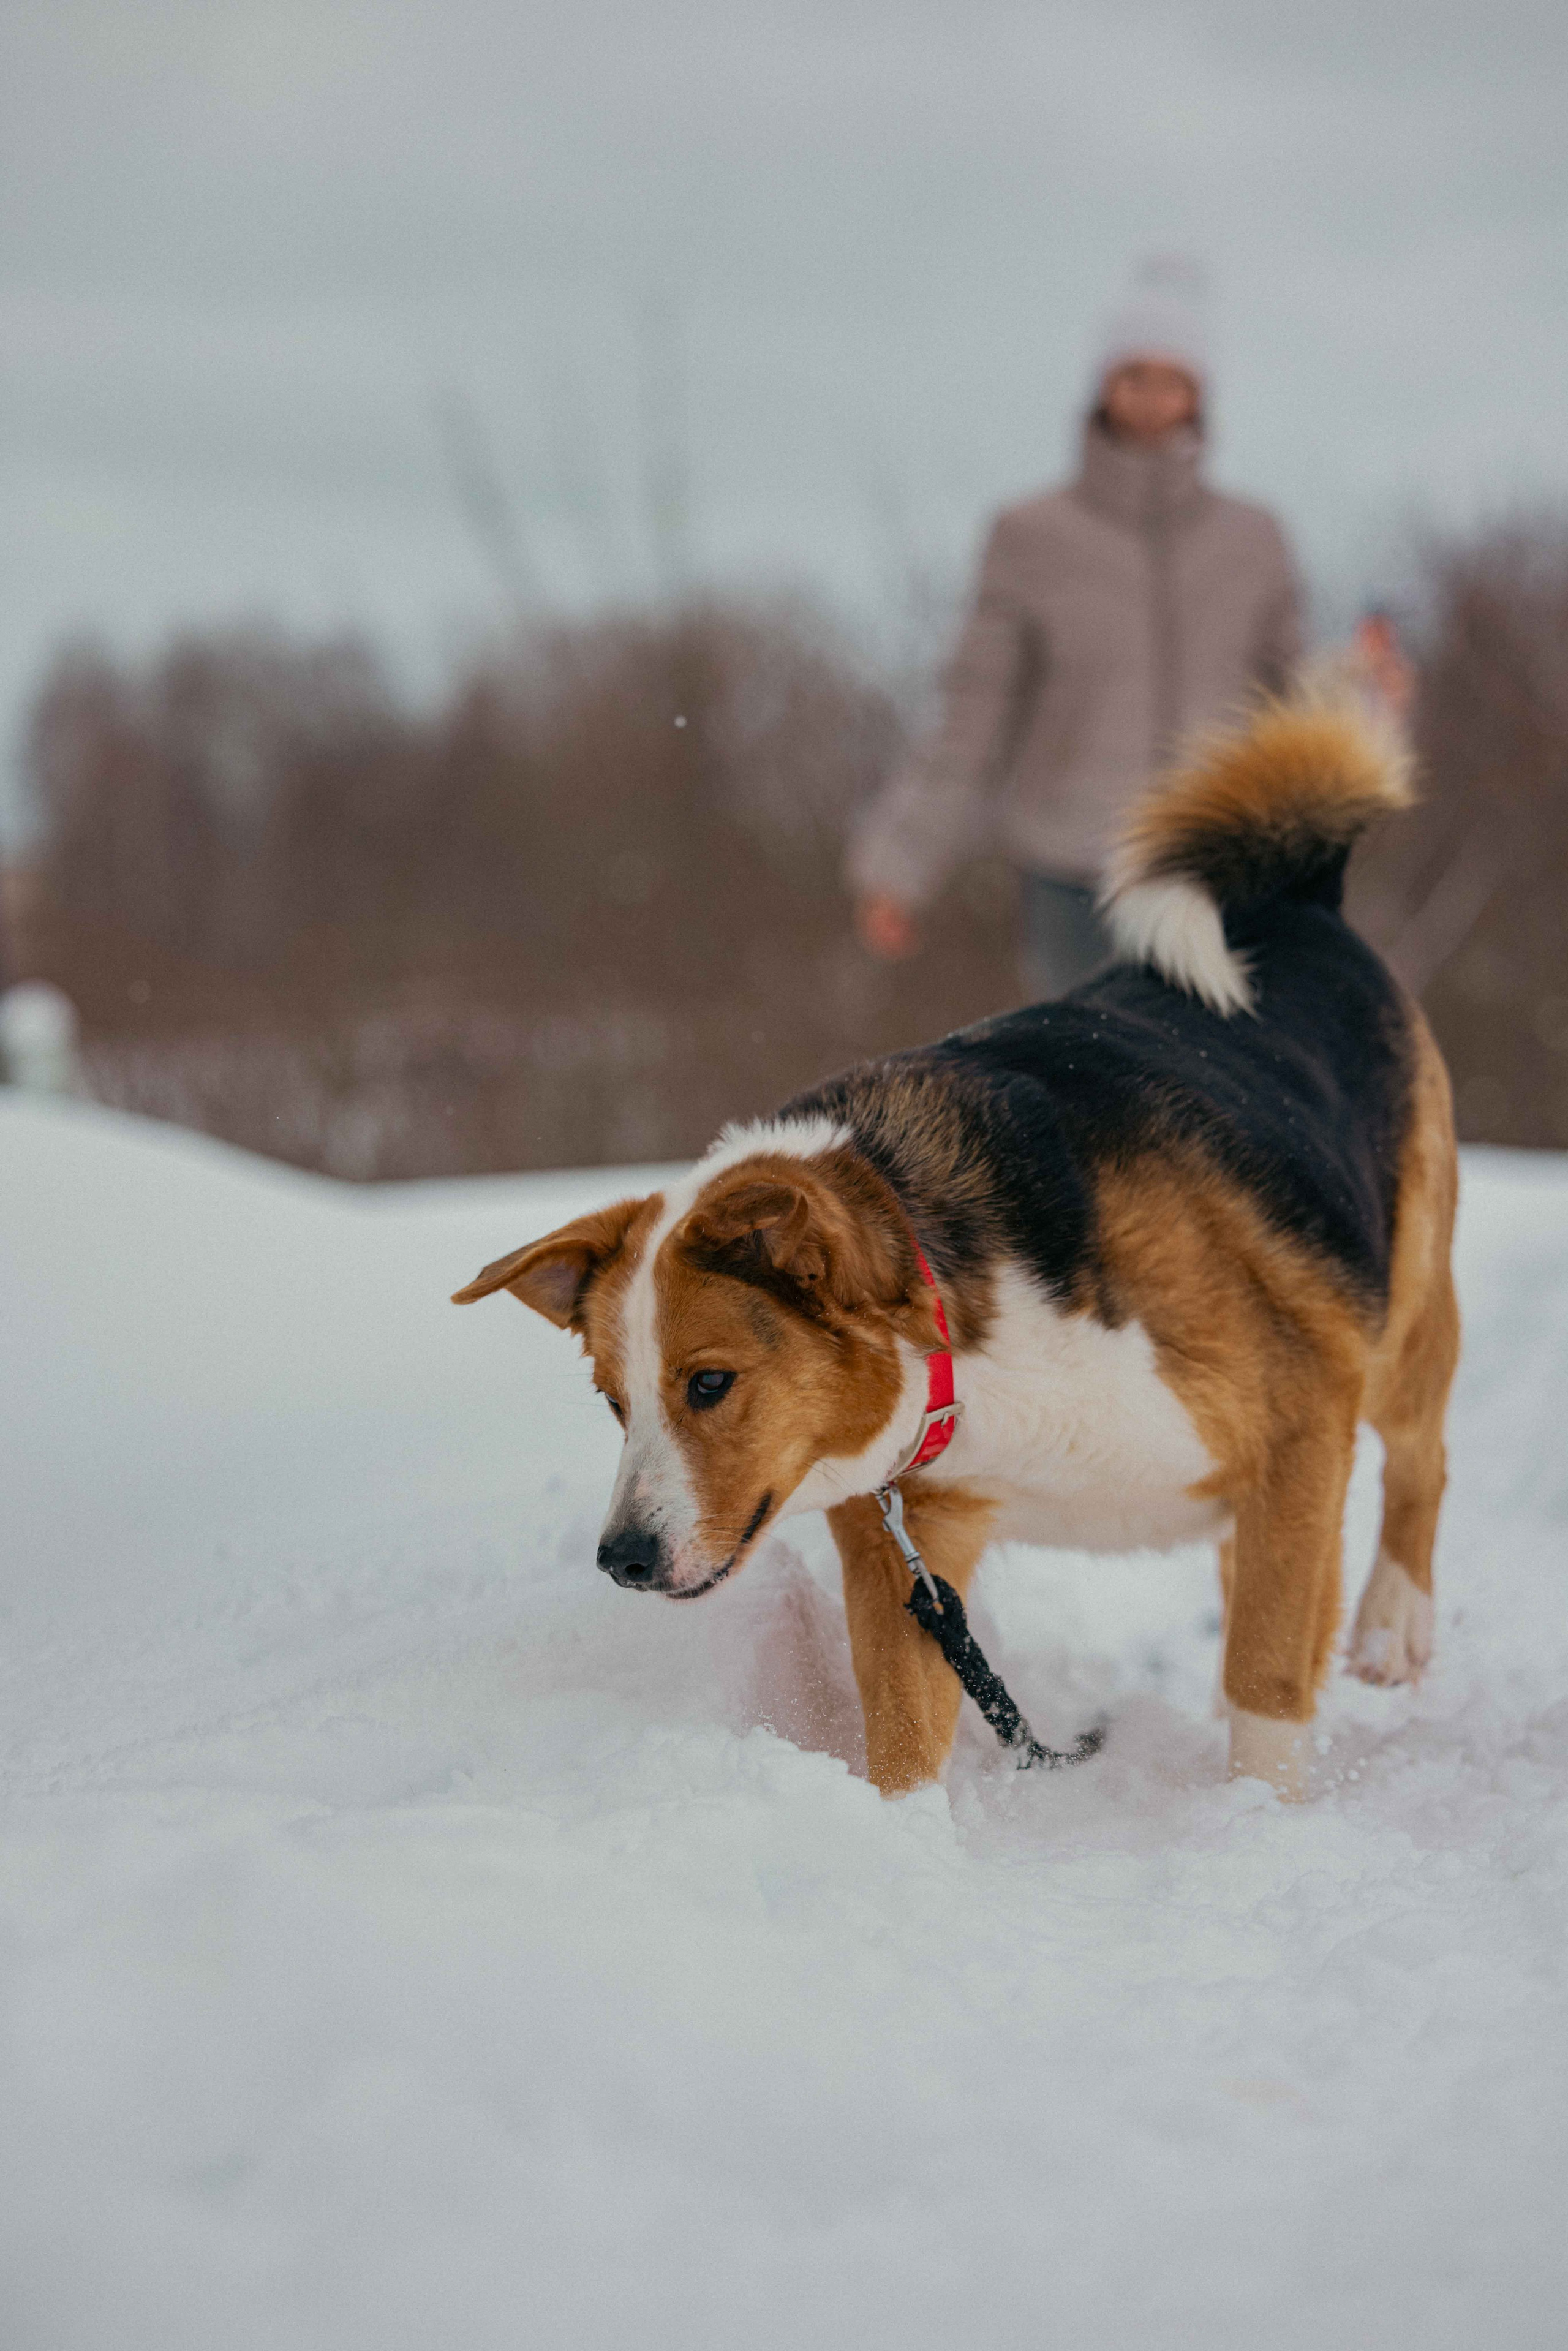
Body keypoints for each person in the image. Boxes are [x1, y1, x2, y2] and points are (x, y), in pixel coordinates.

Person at [849, 257, 1304, 998]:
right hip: (1072, 881)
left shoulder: (1255, 541)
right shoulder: (1030, 536)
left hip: (1220, 877)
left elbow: (1302, 709)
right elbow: (973, 716)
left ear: (1199, 393)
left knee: (1214, 1100)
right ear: (1102, 384)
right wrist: (901, 867)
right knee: (1089, 1102)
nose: (1153, 399)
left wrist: (1372, 693)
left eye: (1173, 379)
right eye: (1135, 375)